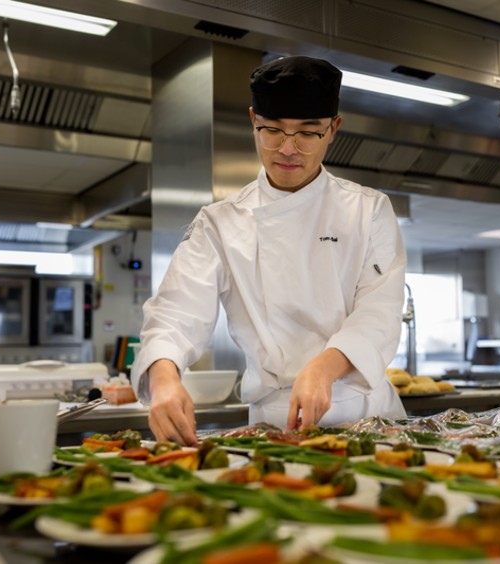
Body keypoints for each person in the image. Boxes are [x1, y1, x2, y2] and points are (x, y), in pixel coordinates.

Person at [131, 55, 407, 446]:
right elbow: (175, 313)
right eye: (272, 130)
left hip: (367, 418)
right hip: (274, 424)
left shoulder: (368, 210)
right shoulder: (220, 223)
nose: (288, 149)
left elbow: (379, 314)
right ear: (253, 121)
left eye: (307, 133)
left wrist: (324, 367)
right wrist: (163, 380)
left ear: (333, 129)